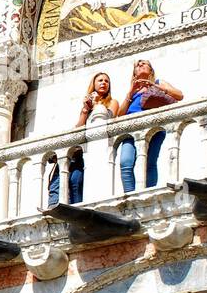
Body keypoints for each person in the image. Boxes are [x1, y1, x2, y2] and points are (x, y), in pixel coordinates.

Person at [49, 72, 118, 205]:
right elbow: (79, 127)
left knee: (76, 181)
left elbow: (110, 117)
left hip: (96, 146)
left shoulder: (112, 102)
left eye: (106, 81)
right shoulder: (87, 104)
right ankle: (53, 205)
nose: (104, 83)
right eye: (100, 80)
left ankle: (76, 205)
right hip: (80, 149)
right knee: (62, 179)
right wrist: (86, 109)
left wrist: (98, 105)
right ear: (94, 84)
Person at [115, 59, 183, 191]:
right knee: (125, 162)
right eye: (137, 66)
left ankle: (148, 191)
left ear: (151, 70)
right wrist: (130, 93)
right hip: (131, 129)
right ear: (134, 73)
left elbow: (180, 95)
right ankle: (130, 195)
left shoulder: (158, 82)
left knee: (149, 163)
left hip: (154, 128)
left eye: (143, 64)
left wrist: (156, 86)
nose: (140, 66)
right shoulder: (132, 92)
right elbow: (120, 115)